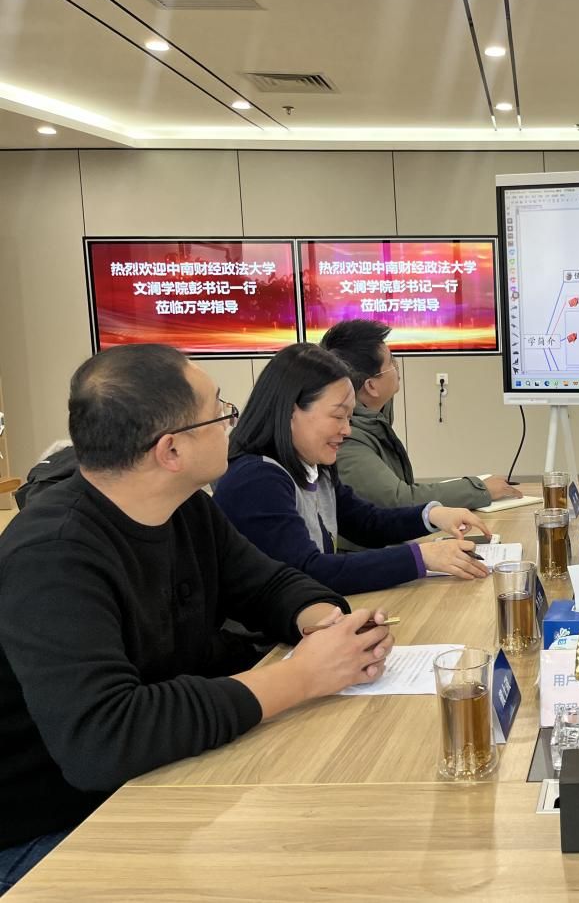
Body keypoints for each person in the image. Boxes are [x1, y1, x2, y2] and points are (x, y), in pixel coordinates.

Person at [0, 345, 396, 893]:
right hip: (51, 827)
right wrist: (302, 676)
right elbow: (104, 738)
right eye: (218, 411)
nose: (232, 421)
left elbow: (270, 584)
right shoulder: (53, 555)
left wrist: (324, 623)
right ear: (171, 449)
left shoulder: (185, 507)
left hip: (157, 777)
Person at [214, 344, 491, 594]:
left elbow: (365, 522)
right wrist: (421, 557)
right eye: (338, 416)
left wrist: (431, 515)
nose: (346, 430)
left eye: (349, 417)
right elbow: (309, 571)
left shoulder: (313, 466)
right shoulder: (256, 480)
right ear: (290, 411)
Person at [319, 319, 522, 534]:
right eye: (391, 362)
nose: (397, 367)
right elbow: (400, 500)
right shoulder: (348, 438)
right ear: (371, 386)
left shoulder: (372, 416)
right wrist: (479, 490)